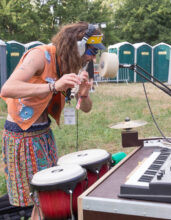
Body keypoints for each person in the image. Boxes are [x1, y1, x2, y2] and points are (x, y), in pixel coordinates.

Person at [0, 21, 105, 219]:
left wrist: (83, 94)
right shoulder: (40, 55)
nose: (93, 57)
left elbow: (85, 109)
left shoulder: (66, 65)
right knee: (39, 200)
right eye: (92, 51)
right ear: (78, 45)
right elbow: (8, 88)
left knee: (47, 198)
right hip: (22, 136)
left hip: (43, 134)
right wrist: (53, 86)